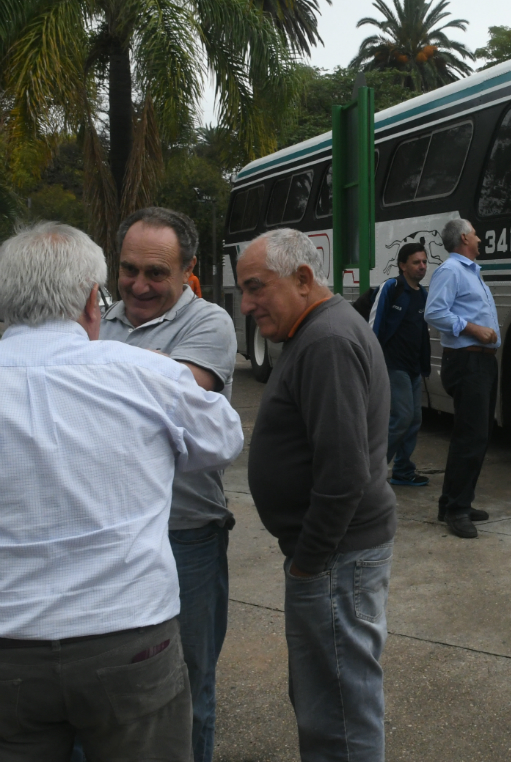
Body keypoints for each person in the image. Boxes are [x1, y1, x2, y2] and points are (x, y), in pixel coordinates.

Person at [0, 222, 243, 761]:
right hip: (129, 635)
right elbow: (222, 440)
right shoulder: (145, 375)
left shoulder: (180, 342)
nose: (137, 285)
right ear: (94, 301)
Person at [238, 228, 395, 762]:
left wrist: (308, 563)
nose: (246, 303)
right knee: (328, 700)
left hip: (333, 559)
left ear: (303, 278)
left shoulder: (326, 340)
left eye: (257, 287)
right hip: (333, 556)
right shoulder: (317, 331)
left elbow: (344, 471)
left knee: (338, 715)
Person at [100, 207, 238, 762]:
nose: (139, 285)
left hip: (187, 535)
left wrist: (87, 370)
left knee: (187, 687)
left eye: (156, 274)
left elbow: (181, 394)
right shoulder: (99, 318)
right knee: (109, 692)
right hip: (109, 534)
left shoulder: (210, 323)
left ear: (188, 271)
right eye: (128, 269)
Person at [424, 218, 500, 539]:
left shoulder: (470, 271)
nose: (481, 238)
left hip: (481, 363)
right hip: (467, 362)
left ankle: (455, 503)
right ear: (465, 237)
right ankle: (456, 510)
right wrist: (474, 328)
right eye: (476, 234)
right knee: (471, 436)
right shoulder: (451, 271)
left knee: (476, 436)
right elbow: (434, 312)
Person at [369, 242, 431, 487]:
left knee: (414, 419)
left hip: (413, 368)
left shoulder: (423, 294)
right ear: (403, 265)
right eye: (416, 262)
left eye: (425, 262)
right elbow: (373, 325)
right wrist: (371, 362)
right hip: (392, 365)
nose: (422, 266)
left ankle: (404, 472)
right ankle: (371, 472)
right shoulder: (391, 288)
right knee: (402, 417)